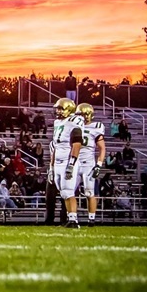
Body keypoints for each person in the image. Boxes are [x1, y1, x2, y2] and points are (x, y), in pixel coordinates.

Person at [50, 97, 84, 228]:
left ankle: (74, 220)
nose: (57, 111)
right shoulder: (58, 123)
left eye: (60, 108)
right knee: (63, 192)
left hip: (67, 161)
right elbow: (55, 147)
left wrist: (71, 164)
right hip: (58, 161)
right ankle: (70, 219)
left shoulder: (74, 122)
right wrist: (51, 168)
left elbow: (76, 145)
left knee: (69, 191)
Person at [75, 103, 106, 227]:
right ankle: (72, 217)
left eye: (80, 114)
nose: (78, 117)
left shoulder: (96, 127)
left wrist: (98, 165)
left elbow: (102, 148)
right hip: (75, 162)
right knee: (69, 191)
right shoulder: (74, 126)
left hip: (88, 163)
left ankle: (91, 219)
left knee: (89, 192)